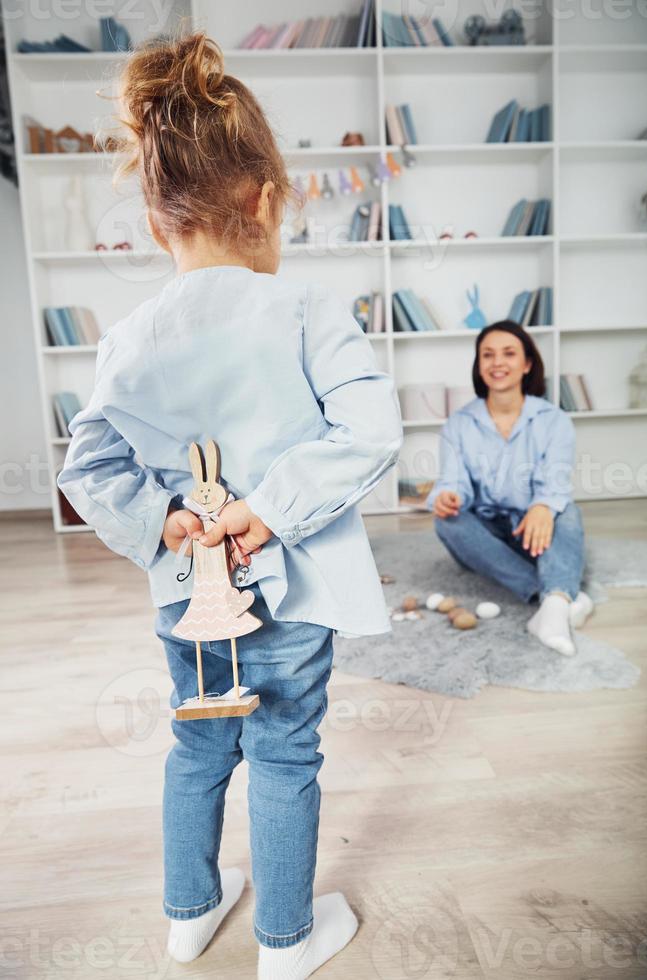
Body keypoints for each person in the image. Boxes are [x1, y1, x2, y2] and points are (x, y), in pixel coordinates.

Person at [57, 32, 402, 979]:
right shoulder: (305, 310)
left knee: (197, 746)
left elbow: (87, 468)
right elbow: (373, 429)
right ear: (261, 198)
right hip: (290, 601)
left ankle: (189, 914)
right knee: (286, 755)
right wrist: (269, 510)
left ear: (160, 221)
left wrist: (162, 526)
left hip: (187, 599)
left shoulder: (130, 338)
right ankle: (286, 942)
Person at [427, 321, 593, 656]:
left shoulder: (554, 420)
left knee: (566, 510)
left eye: (508, 353)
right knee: (447, 521)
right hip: (487, 533)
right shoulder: (459, 423)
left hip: (533, 529)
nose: (497, 362)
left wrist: (542, 506)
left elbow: (555, 481)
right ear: (479, 365)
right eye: (487, 355)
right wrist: (448, 497)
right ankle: (555, 597)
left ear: (527, 363)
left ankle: (552, 609)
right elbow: (453, 480)